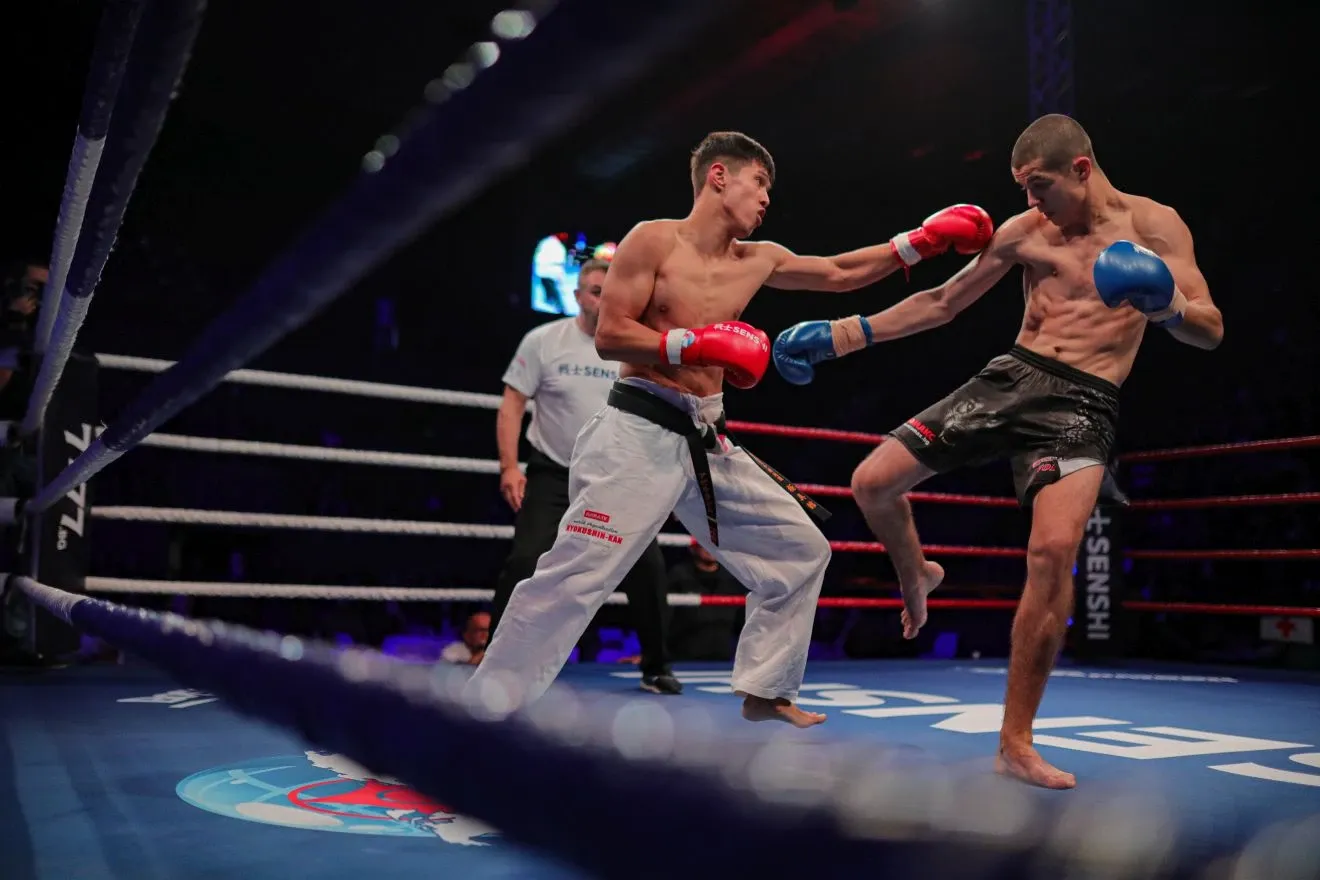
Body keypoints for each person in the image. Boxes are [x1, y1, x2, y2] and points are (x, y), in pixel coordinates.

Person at [463, 130, 993, 726]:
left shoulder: (758, 258)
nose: (766, 199)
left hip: (707, 439)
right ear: (719, 176)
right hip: (637, 431)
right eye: (759, 182)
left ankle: (766, 688)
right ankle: (485, 710)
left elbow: (840, 272)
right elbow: (610, 334)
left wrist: (920, 242)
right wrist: (693, 344)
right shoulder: (652, 239)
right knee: (575, 575)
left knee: (800, 551)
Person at [772, 114, 1223, 784]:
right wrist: (844, 335)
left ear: (1081, 169)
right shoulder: (1024, 231)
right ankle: (917, 573)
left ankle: (1015, 742)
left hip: (1083, 402)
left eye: (1040, 185)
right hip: (1011, 376)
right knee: (872, 482)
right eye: (1023, 189)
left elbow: (1210, 329)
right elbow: (942, 303)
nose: (1032, 201)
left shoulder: (1156, 227)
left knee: (1052, 552)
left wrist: (1167, 307)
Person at [493, 258, 681, 696]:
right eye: (597, 290)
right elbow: (512, 404)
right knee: (525, 561)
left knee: (648, 567)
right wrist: (508, 466)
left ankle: (657, 666)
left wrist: (665, 482)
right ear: (579, 296)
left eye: (611, 290)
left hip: (618, 478)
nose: (605, 297)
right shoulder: (545, 340)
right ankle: (497, 663)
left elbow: (659, 414)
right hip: (553, 472)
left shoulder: (635, 346)